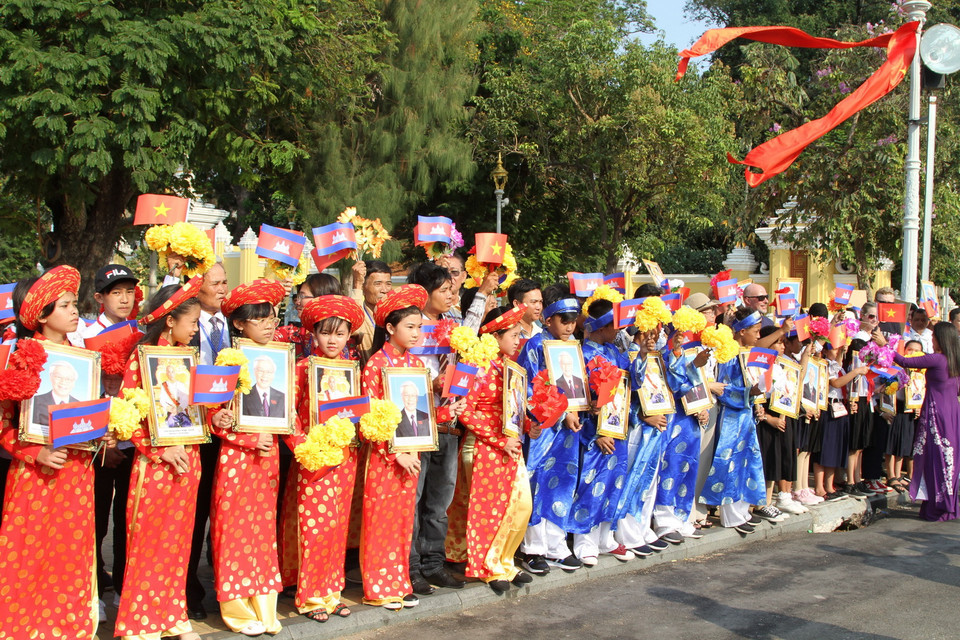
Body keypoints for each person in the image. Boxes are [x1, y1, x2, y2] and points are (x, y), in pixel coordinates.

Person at [0, 265, 115, 639]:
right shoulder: (21, 356)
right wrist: (35, 454)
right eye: (65, 305)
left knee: (71, 554)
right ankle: (24, 628)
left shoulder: (84, 357)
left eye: (73, 304)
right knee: (28, 554)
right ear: (43, 314)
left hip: (78, 472)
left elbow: (90, 415)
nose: (74, 311)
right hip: (35, 474)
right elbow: (4, 426)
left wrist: (103, 435)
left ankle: (67, 626)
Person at [114, 276, 210, 640]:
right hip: (154, 465)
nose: (196, 329)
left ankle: (173, 617)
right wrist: (160, 449)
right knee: (148, 543)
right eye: (193, 322)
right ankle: (141, 623)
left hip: (188, 459)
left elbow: (196, 410)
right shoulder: (141, 360)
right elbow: (128, 419)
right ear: (170, 321)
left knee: (179, 543)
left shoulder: (191, 359)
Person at [359, 284, 459, 609]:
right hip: (386, 457)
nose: (417, 333)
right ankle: (378, 586)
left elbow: (421, 413)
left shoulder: (416, 366)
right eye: (410, 327)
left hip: (411, 453)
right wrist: (396, 452)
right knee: (381, 519)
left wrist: (445, 413)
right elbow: (370, 417)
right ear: (390, 328)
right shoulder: (375, 365)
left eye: (419, 327)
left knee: (405, 518)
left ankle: (399, 581)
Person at [209, 279, 288, 636]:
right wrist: (226, 425)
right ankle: (238, 609)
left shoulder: (282, 357)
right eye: (258, 318)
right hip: (237, 458)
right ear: (239, 323)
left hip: (268, 455)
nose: (268, 324)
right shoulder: (227, 359)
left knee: (263, 531)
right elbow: (212, 413)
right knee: (234, 530)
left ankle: (265, 606)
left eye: (271, 316)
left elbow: (292, 411)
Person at [279, 295, 364, 622]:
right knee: (314, 527)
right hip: (313, 461)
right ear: (313, 335)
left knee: (336, 528)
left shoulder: (350, 370)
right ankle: (312, 597)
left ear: (348, 337)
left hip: (344, 459)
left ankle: (332, 592)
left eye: (339, 334)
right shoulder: (301, 369)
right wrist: (303, 446)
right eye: (326, 333)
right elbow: (289, 415)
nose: (333, 340)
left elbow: (356, 415)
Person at [444, 305, 536, 593]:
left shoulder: (511, 367)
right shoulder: (477, 365)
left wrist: (529, 424)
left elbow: (515, 410)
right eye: (514, 334)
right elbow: (466, 412)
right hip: (485, 447)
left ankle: (505, 561)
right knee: (488, 509)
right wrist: (499, 440)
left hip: (510, 445)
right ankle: (487, 566)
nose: (519, 340)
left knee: (520, 505)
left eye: (520, 334)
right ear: (495, 336)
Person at [405, 262, 468, 595]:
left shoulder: (453, 325)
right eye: (444, 290)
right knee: (413, 500)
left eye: (452, 289)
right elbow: (397, 370)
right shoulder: (409, 323)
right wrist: (433, 383)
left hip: (449, 422)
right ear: (424, 293)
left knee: (439, 501)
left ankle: (434, 563)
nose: (451, 295)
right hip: (416, 423)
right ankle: (411, 567)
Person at [84, 264, 141, 610]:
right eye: (116, 292)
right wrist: (103, 440)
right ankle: (92, 590)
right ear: (99, 297)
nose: (124, 299)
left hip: (135, 442)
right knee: (94, 521)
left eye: (129, 292)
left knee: (128, 520)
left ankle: (123, 588)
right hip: (97, 446)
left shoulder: (140, 334)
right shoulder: (85, 335)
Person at [517, 291, 583, 574]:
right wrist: (560, 409)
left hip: (569, 427)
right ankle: (533, 548)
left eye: (574, 320)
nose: (569, 326)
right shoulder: (534, 346)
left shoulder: (573, 346)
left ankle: (557, 544)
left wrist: (577, 406)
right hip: (543, 426)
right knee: (537, 483)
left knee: (563, 482)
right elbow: (528, 386)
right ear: (549, 319)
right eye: (564, 320)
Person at [568, 299, 635, 564]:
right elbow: (580, 399)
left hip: (618, 427)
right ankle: (585, 541)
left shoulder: (615, 352)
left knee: (614, 482)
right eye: (614, 325)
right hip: (593, 433)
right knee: (591, 483)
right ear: (600, 326)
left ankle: (606, 538)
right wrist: (598, 432)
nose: (619, 330)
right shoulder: (582, 354)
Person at [699, 308, 767, 533]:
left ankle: (743, 509)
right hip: (731, 416)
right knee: (730, 463)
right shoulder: (728, 354)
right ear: (743, 331)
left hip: (745, 414)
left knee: (748, 461)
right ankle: (731, 515)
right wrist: (750, 392)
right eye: (755, 331)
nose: (758, 336)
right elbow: (724, 388)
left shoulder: (748, 352)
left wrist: (757, 396)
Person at [893, 321, 960, 521]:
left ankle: (937, 505)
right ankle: (947, 504)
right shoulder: (954, 360)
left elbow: (905, 361)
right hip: (952, 412)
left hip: (936, 413)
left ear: (942, 339)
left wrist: (884, 346)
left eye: (934, 336)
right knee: (949, 458)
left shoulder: (938, 359)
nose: (932, 339)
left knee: (935, 457)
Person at [277, 273, 343, 360]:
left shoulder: (346, 341)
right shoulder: (290, 336)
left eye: (302, 296)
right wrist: (276, 301)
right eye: (298, 296)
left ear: (321, 299)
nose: (297, 302)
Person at [348, 260, 394, 365]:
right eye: (378, 284)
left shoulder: (397, 316)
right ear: (364, 287)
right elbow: (352, 326)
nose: (384, 290)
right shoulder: (360, 315)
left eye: (388, 284)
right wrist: (357, 284)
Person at [31, 360, 80, 424]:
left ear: (74, 382)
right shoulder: (36, 401)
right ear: (51, 377)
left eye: (68, 379)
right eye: (58, 377)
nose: (63, 382)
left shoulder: (80, 406)